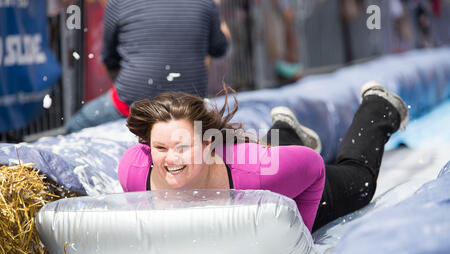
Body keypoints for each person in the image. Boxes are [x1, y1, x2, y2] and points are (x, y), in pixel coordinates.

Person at [118, 81, 409, 233]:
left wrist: (300, 237)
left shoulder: (257, 172)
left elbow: (314, 167)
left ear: (208, 144)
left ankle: (378, 107)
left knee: (360, 182)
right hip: (265, 162)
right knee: (269, 157)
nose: (171, 159)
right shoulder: (134, 170)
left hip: (299, 194)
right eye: (160, 148)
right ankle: (285, 130)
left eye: (182, 147)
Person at [65, 0, 230, 133]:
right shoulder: (206, 3)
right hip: (188, 107)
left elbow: (109, 59)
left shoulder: (119, 3)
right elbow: (219, 49)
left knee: (75, 125)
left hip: (132, 105)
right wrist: (220, 20)